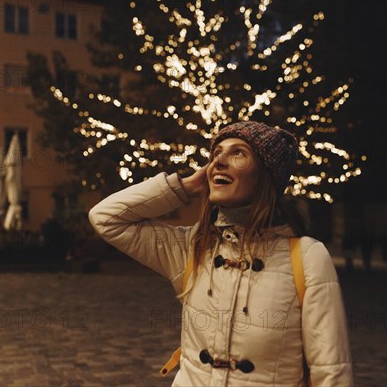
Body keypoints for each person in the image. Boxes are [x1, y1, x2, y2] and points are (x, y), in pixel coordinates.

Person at [89, 121, 353, 386]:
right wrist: (184, 187)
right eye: (216, 154)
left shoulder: (308, 258)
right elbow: (106, 218)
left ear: (266, 175)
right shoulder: (194, 246)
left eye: (238, 153)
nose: (219, 162)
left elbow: (331, 371)